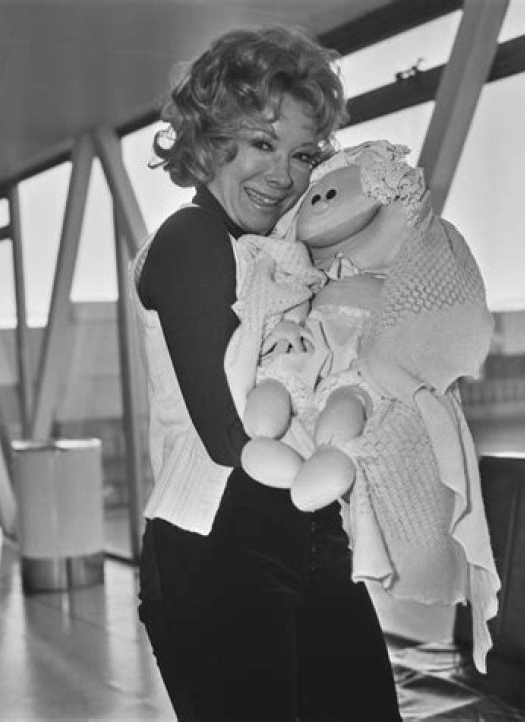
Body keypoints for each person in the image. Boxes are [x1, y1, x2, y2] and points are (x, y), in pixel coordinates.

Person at [131, 25, 402, 721]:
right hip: (215, 544)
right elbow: (233, 435)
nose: (283, 176)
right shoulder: (191, 240)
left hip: (309, 531)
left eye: (303, 154)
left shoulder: (286, 255)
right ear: (209, 139)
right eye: (260, 143)